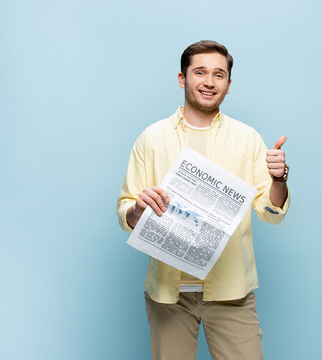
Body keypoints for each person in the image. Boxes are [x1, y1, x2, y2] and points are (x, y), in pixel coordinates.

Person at [116, 40, 290, 360]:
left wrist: (279, 179)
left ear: (228, 84)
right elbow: (126, 212)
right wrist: (137, 210)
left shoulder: (247, 138)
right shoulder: (151, 138)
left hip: (231, 292)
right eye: (200, 72)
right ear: (182, 79)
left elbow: (271, 212)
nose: (209, 82)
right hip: (169, 296)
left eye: (219, 74)